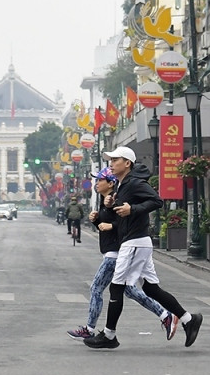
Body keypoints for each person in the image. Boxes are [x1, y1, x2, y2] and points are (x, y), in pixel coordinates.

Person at [84, 146, 203, 350]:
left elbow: (157, 201)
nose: (111, 164)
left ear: (127, 163)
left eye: (115, 160)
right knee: (150, 288)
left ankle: (109, 335)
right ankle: (188, 319)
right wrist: (111, 204)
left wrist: (133, 209)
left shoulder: (135, 182)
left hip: (135, 242)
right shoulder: (122, 185)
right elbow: (120, 214)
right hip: (136, 242)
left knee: (117, 286)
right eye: (110, 160)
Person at [67, 167, 176, 341]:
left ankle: (90, 329)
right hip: (114, 251)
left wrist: (110, 225)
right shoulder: (106, 201)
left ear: (110, 183)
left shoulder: (117, 200)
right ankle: (165, 315)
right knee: (130, 291)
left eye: (100, 180)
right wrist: (97, 221)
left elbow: (125, 224)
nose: (96, 183)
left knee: (96, 288)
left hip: (117, 253)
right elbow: (105, 227)